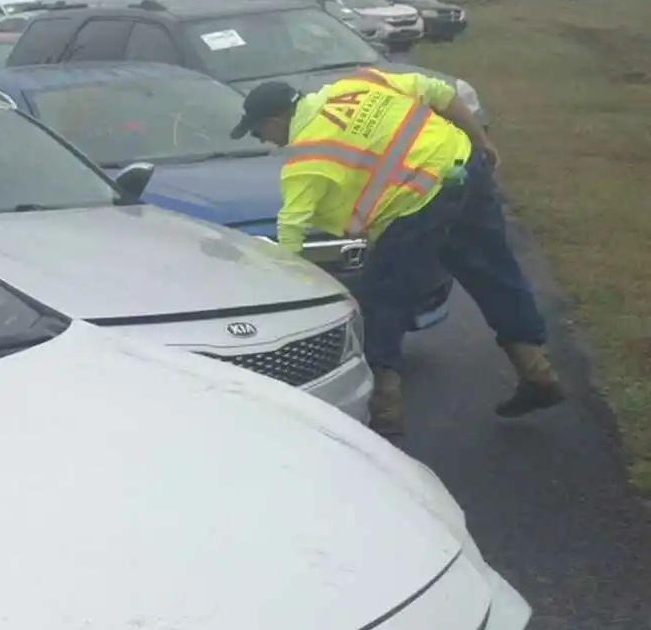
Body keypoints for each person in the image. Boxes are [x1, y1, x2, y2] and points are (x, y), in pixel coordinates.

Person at [231, 70, 565, 436]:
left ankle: (384, 410)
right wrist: (481, 140)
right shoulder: (359, 83)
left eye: (259, 132)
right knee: (493, 271)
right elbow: (441, 93)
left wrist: (285, 280)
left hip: (413, 210)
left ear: (277, 120)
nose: (267, 142)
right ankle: (538, 372)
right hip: (461, 169)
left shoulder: (306, 158)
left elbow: (292, 227)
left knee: (382, 303)